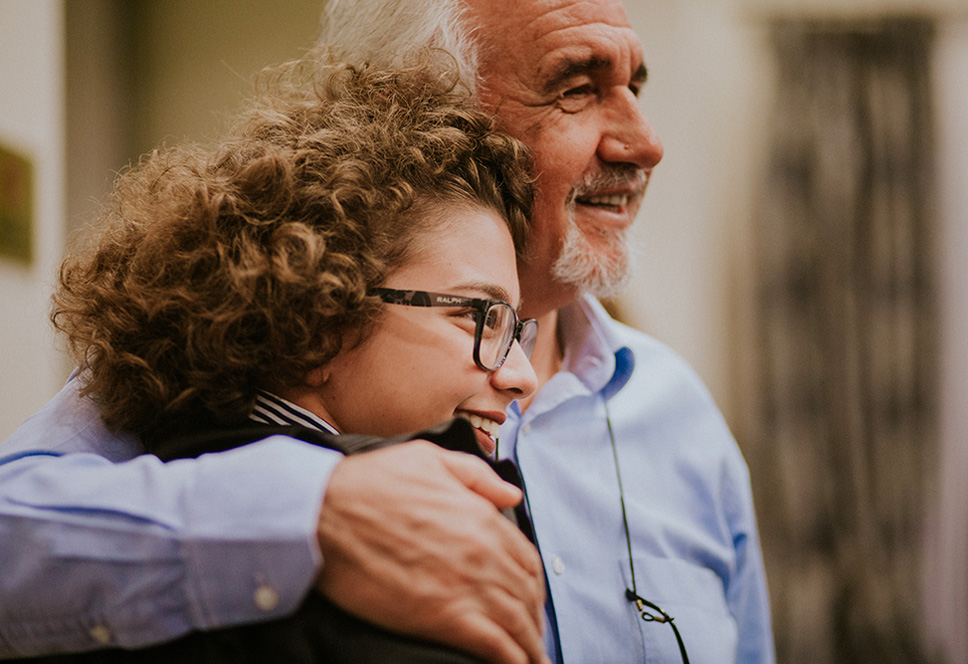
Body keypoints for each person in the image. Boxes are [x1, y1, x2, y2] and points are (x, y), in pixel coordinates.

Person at [0, 1, 775, 662]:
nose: (646, 142)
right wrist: (310, 514)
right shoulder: (224, 390)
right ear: (420, 100)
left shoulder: (682, 420)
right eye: (577, 87)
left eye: (635, 87)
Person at [6, 62, 542, 664]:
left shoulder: (154, 462)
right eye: (478, 316)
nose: (524, 375)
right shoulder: (407, 559)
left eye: (516, 329)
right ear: (321, 322)